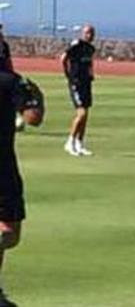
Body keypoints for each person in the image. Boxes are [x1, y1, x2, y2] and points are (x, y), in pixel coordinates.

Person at [0, 70, 43, 307]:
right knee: (8, 232)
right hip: (3, 167)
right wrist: (37, 96)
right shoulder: (11, 80)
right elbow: (33, 117)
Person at [60, 24, 96, 157]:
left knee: (85, 115)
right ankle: (70, 142)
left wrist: (91, 74)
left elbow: (90, 63)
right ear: (82, 33)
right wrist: (68, 74)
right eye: (87, 33)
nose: (90, 35)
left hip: (86, 83)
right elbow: (64, 58)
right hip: (76, 83)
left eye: (92, 33)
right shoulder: (76, 45)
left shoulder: (91, 49)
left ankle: (79, 143)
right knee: (81, 113)